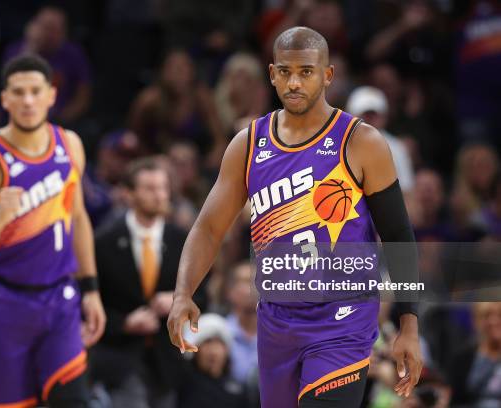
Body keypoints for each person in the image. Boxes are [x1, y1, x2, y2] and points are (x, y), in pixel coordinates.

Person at [167, 26, 422, 407]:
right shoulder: (248, 145)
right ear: (271, 74)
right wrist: (183, 292)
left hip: (344, 318)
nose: (294, 82)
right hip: (277, 320)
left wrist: (408, 325)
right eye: (285, 72)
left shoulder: (361, 141)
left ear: (327, 75)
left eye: (306, 71)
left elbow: (399, 234)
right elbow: (207, 228)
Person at [0, 54, 106, 407]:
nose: (27, 101)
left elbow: (78, 218)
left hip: (59, 297)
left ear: (51, 95)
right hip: (5, 300)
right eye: (18, 92)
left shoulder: (69, 144)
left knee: (73, 399)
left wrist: (91, 288)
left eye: (35, 91)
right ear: (4, 98)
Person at [92, 158, 205, 408]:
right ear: (129, 194)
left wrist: (179, 300)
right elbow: (89, 301)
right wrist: (124, 324)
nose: (159, 195)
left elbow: (203, 295)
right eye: (149, 188)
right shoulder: (103, 242)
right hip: (120, 359)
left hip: (167, 362)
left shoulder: (182, 240)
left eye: (162, 188)